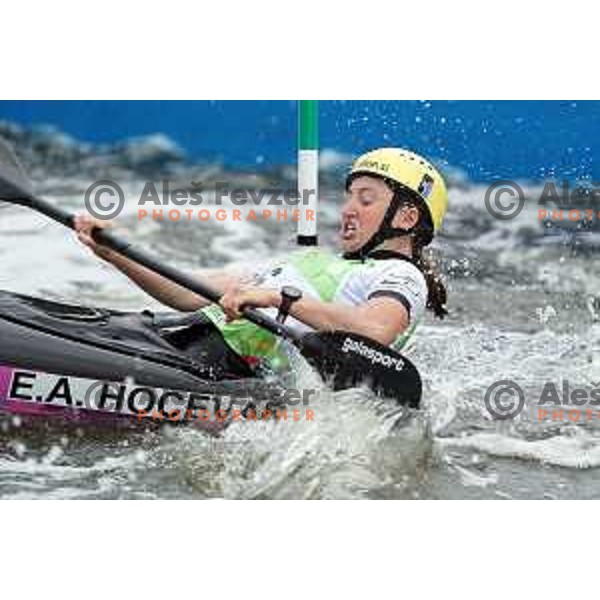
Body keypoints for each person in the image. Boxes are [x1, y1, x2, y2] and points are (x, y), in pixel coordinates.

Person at [74, 147, 449, 378]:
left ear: (406, 218)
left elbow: (374, 330)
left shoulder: (401, 276)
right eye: (349, 197)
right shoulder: (316, 261)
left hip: (220, 368)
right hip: (178, 334)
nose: (348, 210)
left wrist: (276, 299)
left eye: (365, 200)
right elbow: (187, 292)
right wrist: (115, 254)